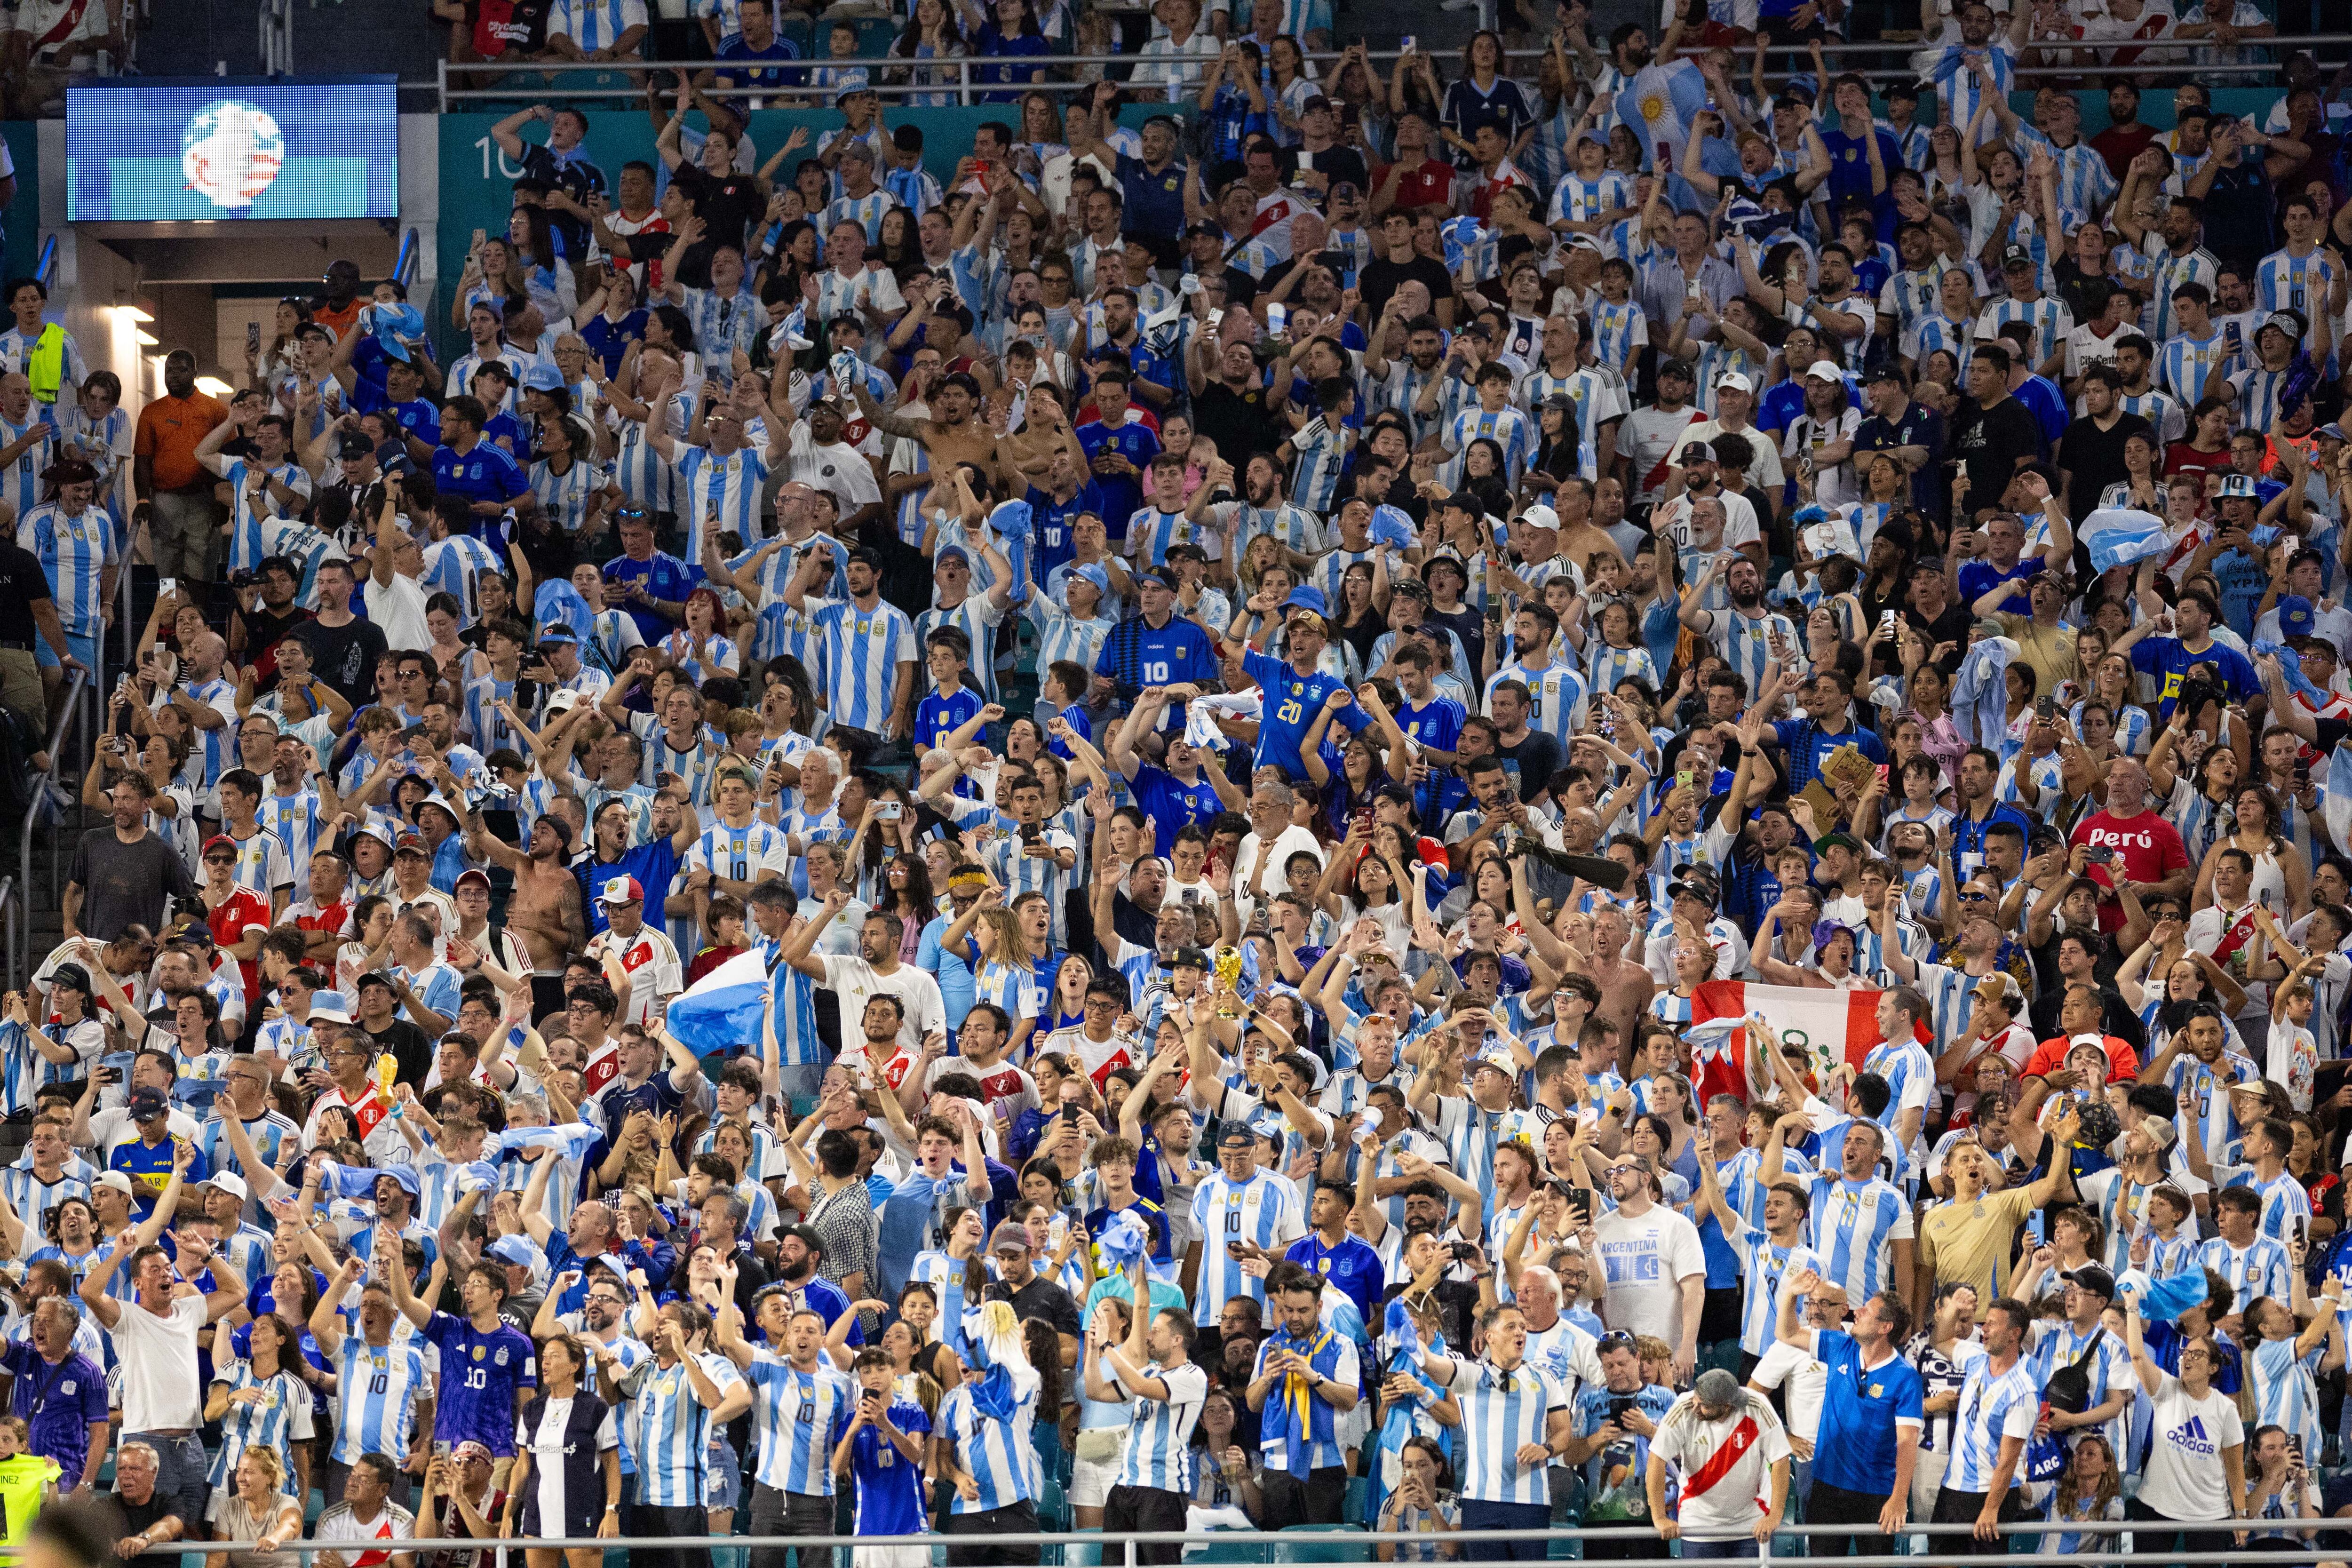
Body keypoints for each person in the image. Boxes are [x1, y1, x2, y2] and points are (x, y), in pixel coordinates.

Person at [1645, 1367, 1791, 1558]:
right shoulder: (1684, 1407)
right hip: (1698, 1524)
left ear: (1727, 1406)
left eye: (1704, 1405)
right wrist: (1659, 1517)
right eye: (1696, 1399)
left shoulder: (1757, 1406)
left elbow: (1781, 1459)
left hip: (1751, 1523)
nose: (1695, 1408)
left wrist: (1775, 1515)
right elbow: (1656, 1459)